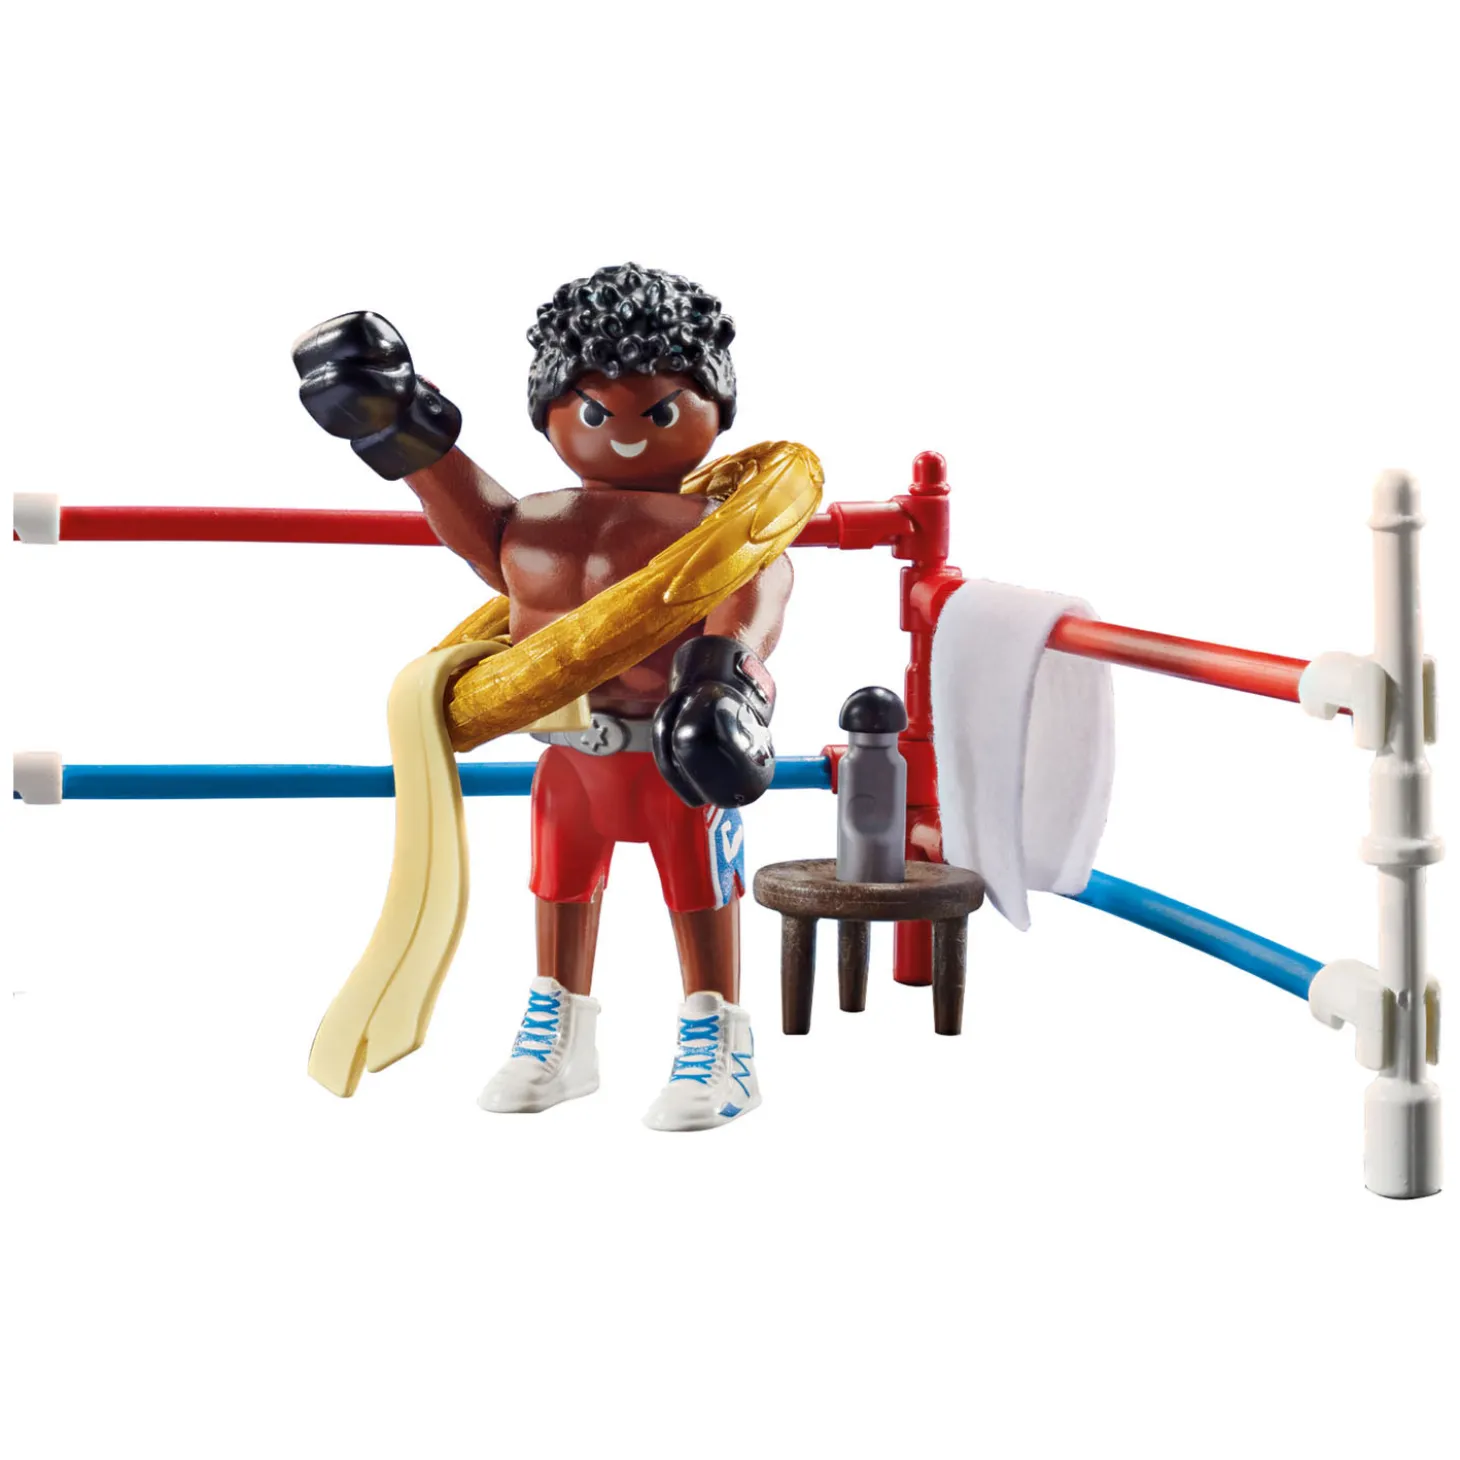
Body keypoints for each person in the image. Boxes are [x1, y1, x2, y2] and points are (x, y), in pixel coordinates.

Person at [292, 264, 793, 1130]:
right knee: (559, 890)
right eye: (597, 413)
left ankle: (721, 1040)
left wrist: (725, 685)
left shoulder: (723, 538)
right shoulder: (535, 524)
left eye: (658, 412)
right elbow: (478, 528)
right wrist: (404, 431)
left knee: (700, 894)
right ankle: (560, 1035)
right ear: (554, 410)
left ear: (713, 407)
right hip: (569, 757)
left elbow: (752, 603)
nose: (625, 436)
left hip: (672, 754)